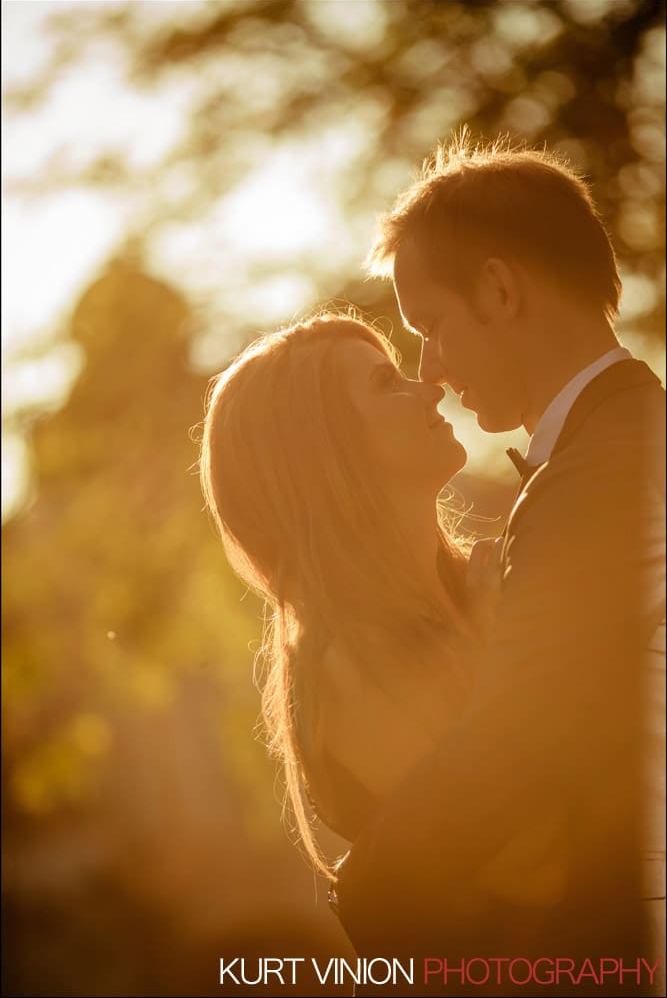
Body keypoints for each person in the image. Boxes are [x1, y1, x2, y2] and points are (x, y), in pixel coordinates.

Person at [332, 134, 665, 994]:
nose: (430, 370)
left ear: (497, 287)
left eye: (430, 326)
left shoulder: (606, 470)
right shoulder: (612, 447)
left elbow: (531, 733)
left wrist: (367, 887)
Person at [199, 312, 491, 884]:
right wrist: (493, 642)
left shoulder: (488, 581)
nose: (430, 388)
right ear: (328, 452)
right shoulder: (345, 673)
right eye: (387, 383)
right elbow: (525, 862)